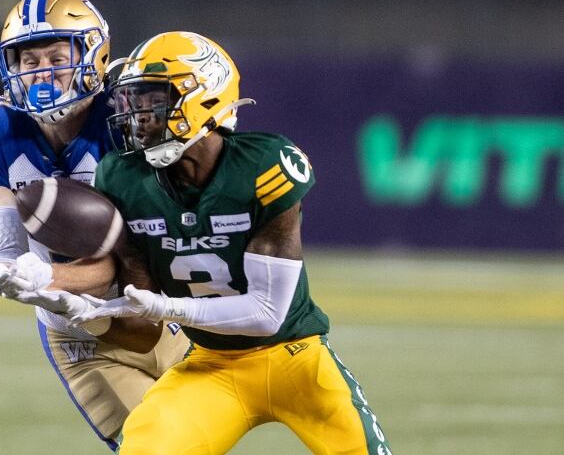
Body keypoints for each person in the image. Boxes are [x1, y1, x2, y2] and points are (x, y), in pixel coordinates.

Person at [66, 31, 394, 455]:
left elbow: (265, 313)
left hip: (295, 358)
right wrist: (72, 300)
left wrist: (169, 308)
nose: (137, 115)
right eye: (132, 101)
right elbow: (139, 316)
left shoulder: (263, 166)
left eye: (152, 100)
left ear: (203, 98)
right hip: (211, 363)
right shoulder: (122, 178)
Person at [0, 0, 190, 451]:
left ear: (94, 55)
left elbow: (139, 251)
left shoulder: (130, 121)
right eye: (29, 62)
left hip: (163, 305)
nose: (43, 73)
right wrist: (12, 267)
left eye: (57, 56)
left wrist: (44, 276)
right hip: (79, 332)